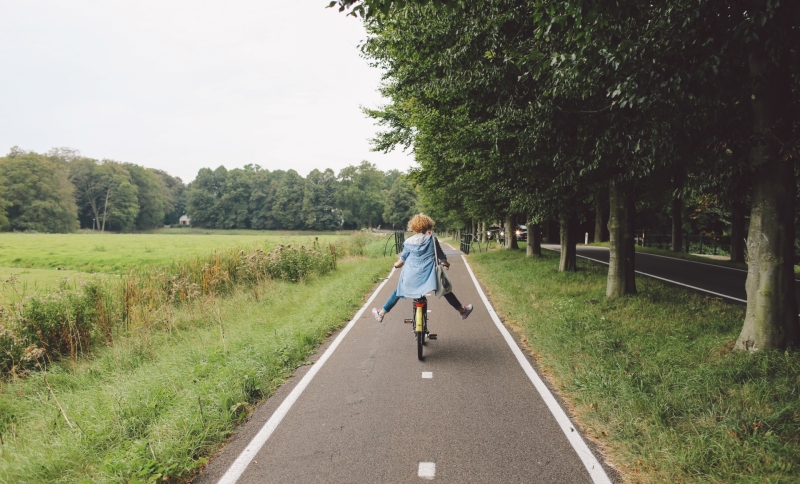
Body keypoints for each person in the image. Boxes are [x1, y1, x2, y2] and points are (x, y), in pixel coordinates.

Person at [372, 213, 473, 322]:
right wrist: (445, 263)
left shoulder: (408, 242)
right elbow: (441, 256)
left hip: (411, 276)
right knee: (445, 290)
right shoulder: (432, 240)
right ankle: (462, 311)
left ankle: (381, 313)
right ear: (428, 226)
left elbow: (402, 260)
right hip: (429, 277)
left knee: (398, 291)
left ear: (413, 226)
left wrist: (396, 265)